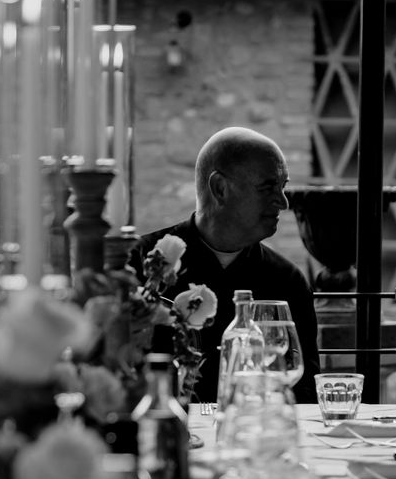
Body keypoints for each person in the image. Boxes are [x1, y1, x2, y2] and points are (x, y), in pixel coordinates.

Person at [137, 127, 320, 402]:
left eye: (282, 187)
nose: (283, 203)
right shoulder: (143, 261)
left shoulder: (287, 281)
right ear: (220, 188)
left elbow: (304, 391)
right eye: (268, 187)